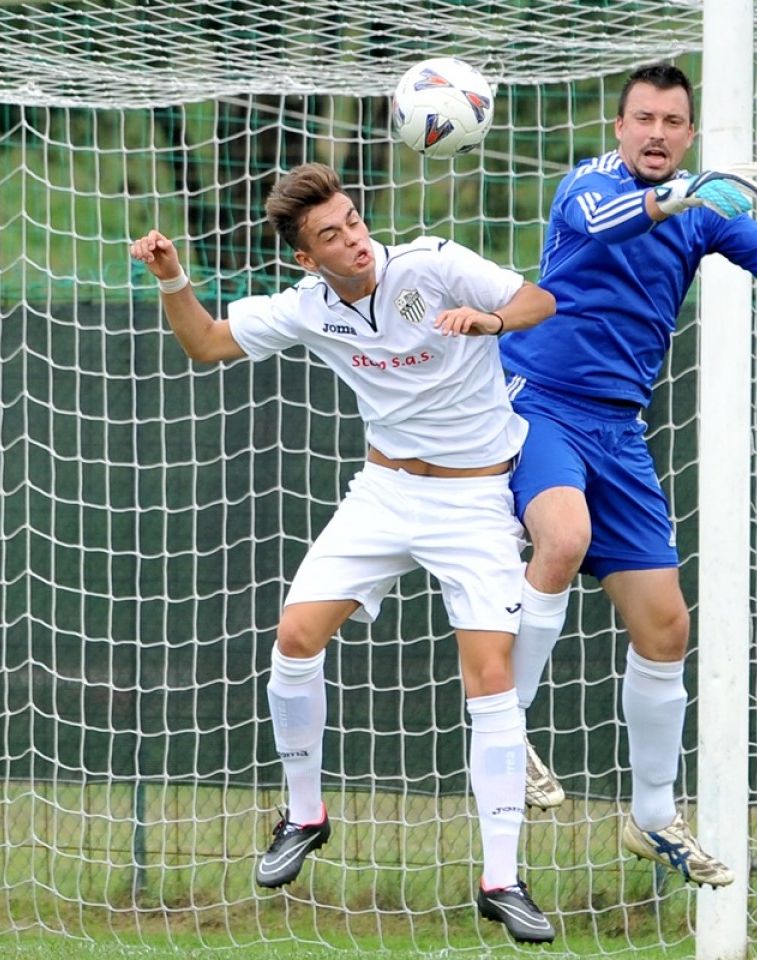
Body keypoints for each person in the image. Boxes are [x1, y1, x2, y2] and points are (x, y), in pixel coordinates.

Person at [129, 162, 558, 943]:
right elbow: (205, 342)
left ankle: (502, 877)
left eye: (355, 221)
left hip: (473, 501)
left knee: (491, 678)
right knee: (294, 637)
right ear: (305, 257)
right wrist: (173, 278)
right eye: (332, 234)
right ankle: (304, 814)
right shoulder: (305, 307)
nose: (355, 240)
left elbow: (538, 299)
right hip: (384, 493)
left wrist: (489, 322)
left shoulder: (433, 264)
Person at [500, 63, 757, 886]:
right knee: (563, 539)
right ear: (619, 127)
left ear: (688, 134)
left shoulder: (699, 210)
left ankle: (652, 816)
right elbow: (609, 222)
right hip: (541, 405)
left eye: (672, 122)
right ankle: (504, 728)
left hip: (619, 431)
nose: (655, 132)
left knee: (668, 628)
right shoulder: (589, 186)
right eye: (642, 118)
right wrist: (686, 196)